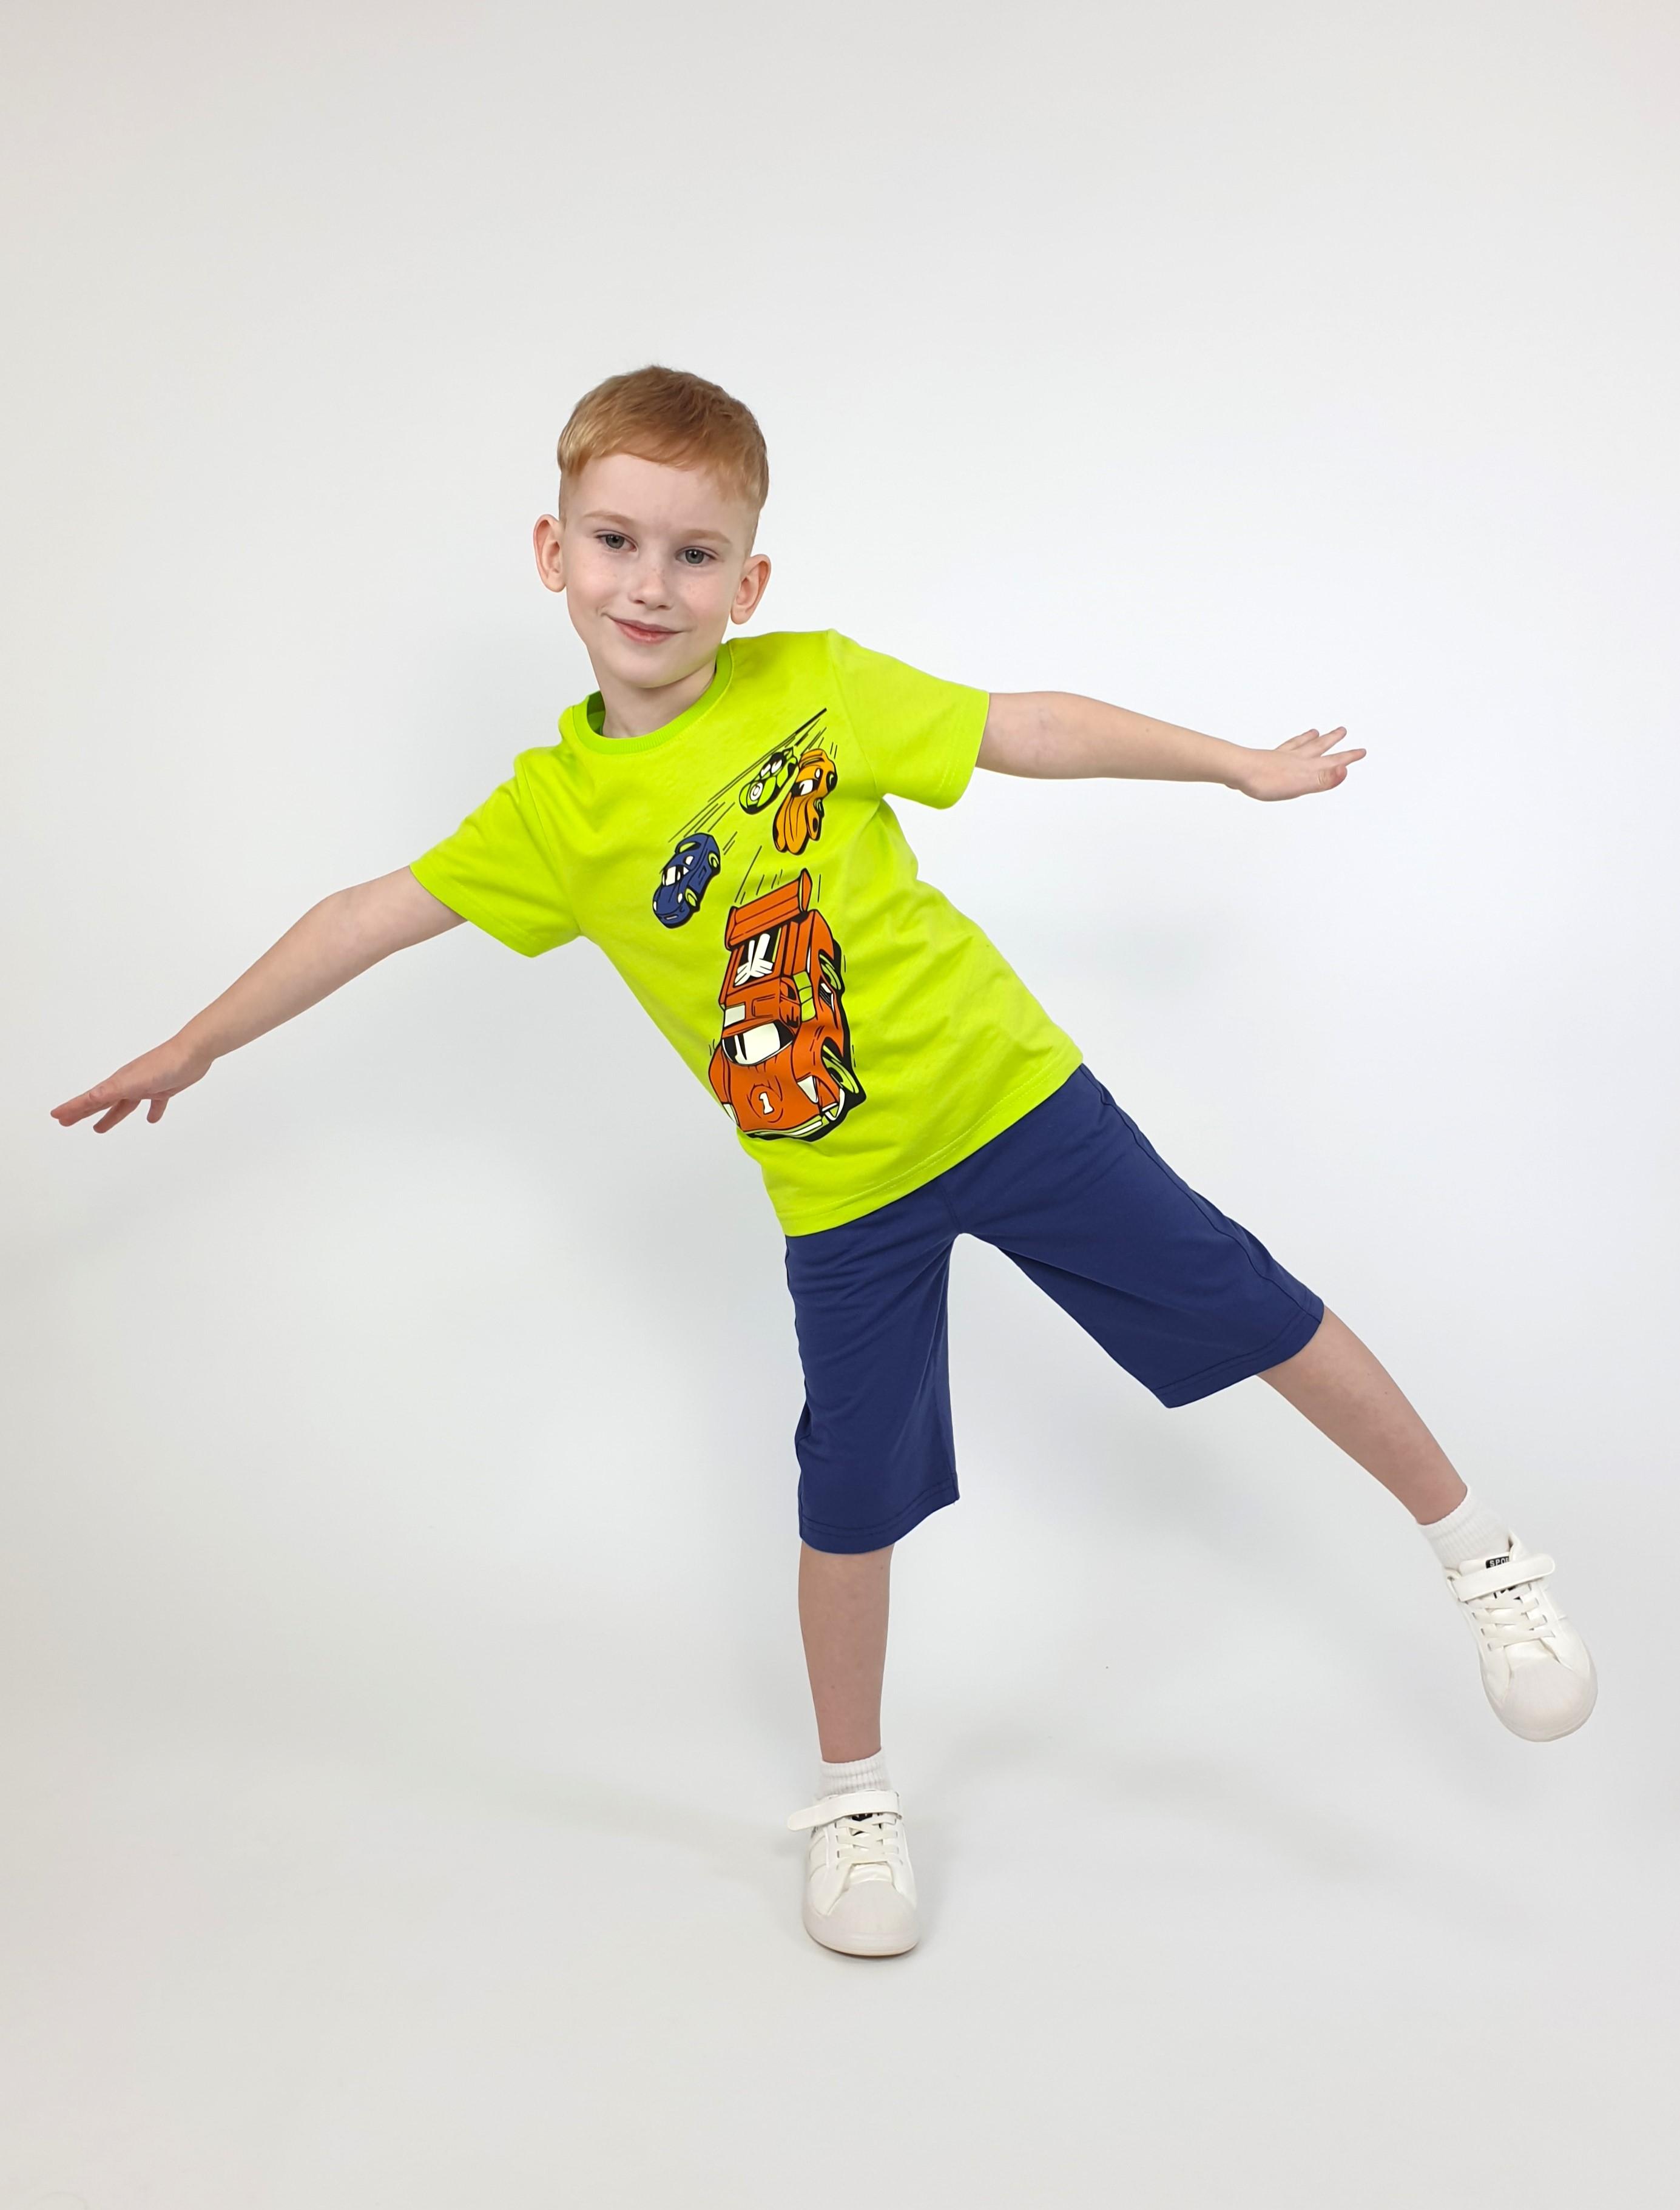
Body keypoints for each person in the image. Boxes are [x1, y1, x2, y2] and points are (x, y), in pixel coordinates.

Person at [50, 364, 1597, 1960]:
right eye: (616, 542)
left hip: (1012, 1101)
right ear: (554, 552)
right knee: (849, 1489)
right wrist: (198, 1042)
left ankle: (1481, 1553)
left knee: (1245, 1300)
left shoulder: (813, 684)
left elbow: (1020, 725)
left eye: (694, 554)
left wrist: (1235, 765)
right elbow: (365, 915)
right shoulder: (555, 813)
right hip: (839, 1194)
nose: (651, 585)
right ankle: (854, 1798)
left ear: (750, 580)